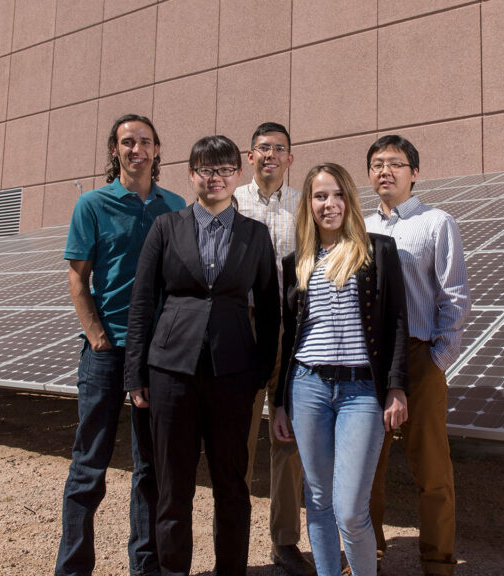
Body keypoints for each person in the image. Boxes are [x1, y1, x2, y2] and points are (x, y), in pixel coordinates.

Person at [124, 135, 280, 576]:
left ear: (238, 174)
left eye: (225, 169)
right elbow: (142, 302)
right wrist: (136, 373)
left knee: (232, 486)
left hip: (233, 376)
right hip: (171, 374)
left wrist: (260, 371)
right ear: (191, 175)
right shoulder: (166, 227)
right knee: (173, 487)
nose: (216, 178)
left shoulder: (255, 234)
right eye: (206, 169)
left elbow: (269, 309)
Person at [58, 114, 186, 576]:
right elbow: (78, 279)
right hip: (106, 354)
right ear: (115, 151)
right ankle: (72, 569)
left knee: (149, 469)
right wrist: (98, 338)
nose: (137, 150)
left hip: (156, 356)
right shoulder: (92, 204)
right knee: (88, 466)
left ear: (157, 150)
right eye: (127, 142)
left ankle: (145, 568)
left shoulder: (174, 206)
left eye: (145, 142)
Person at [273, 163, 410, 576]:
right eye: (319, 196)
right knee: (317, 499)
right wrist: (280, 403)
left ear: (349, 198)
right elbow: (289, 337)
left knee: (350, 509)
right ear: (308, 204)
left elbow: (397, 323)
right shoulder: (296, 261)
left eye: (336, 195)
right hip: (306, 386)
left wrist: (397, 387)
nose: (328, 204)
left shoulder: (379, 250)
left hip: (361, 393)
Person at [363, 135, 470, 576]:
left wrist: (438, 358)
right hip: (370, 362)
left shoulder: (437, 222)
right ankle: (367, 557)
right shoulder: (359, 228)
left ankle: (438, 562)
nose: (385, 170)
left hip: (421, 356)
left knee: (432, 471)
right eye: (376, 164)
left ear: (415, 172)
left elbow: (455, 296)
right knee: (367, 468)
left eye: (395, 163)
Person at [233, 122, 313, 576]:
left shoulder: (305, 207)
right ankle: (236, 537)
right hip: (241, 330)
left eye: (279, 149)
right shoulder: (232, 202)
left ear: (290, 158)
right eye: (263, 148)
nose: (270, 156)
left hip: (290, 328)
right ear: (250, 155)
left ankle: (285, 541)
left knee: (287, 436)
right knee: (238, 439)